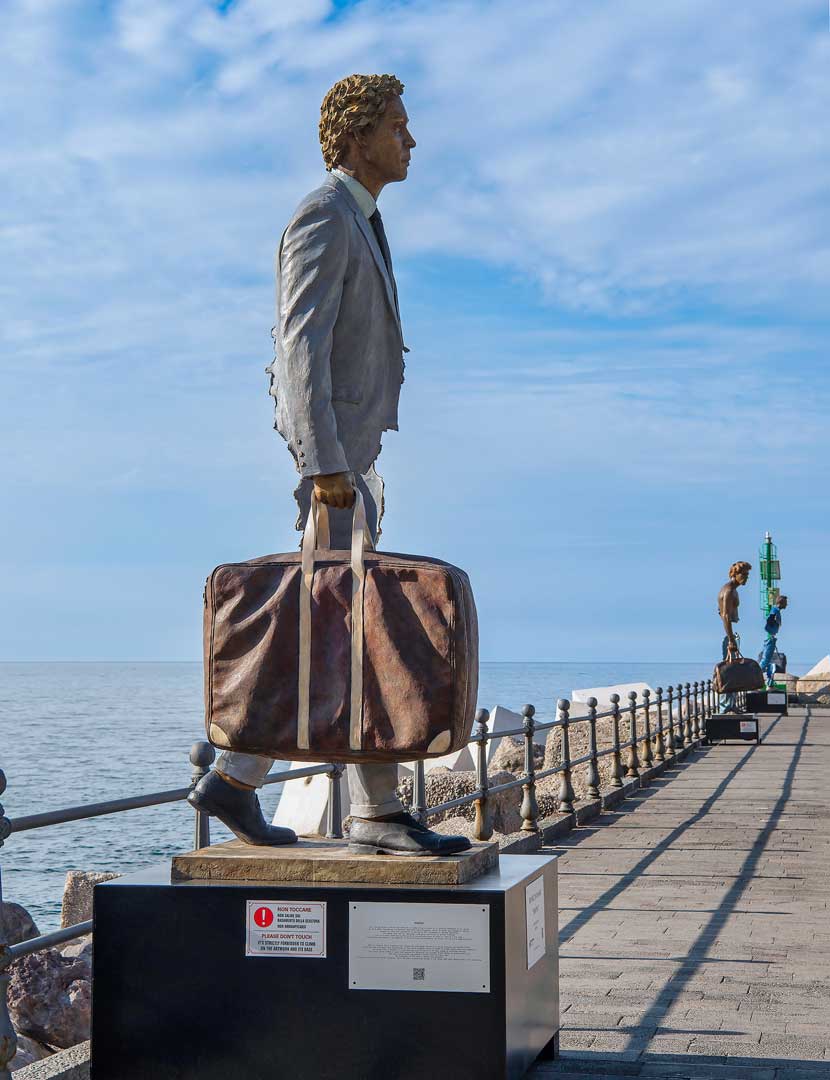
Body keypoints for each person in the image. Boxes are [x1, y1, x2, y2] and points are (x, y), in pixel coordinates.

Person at [189, 74, 470, 857]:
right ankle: (358, 808)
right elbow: (299, 344)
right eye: (397, 127)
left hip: (356, 458)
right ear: (355, 136)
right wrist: (322, 462)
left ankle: (242, 778)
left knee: (339, 624)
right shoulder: (323, 213)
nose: (410, 141)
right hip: (338, 463)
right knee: (348, 622)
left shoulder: (364, 220)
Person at [717, 561, 751, 713]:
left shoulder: (734, 590)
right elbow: (724, 615)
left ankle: (731, 704)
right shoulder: (728, 591)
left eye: (747, 575)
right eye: (743, 575)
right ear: (734, 574)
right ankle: (725, 706)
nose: (746, 577)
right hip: (728, 633)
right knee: (728, 672)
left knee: (734, 670)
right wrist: (730, 639)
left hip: (732, 631)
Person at [760, 595, 788, 689]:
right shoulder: (775, 610)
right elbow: (769, 620)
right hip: (770, 638)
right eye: (785, 603)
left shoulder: (776, 611)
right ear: (781, 602)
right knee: (765, 661)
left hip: (772, 637)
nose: (786, 605)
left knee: (769, 663)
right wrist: (771, 630)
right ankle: (755, 678)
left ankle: (770, 684)